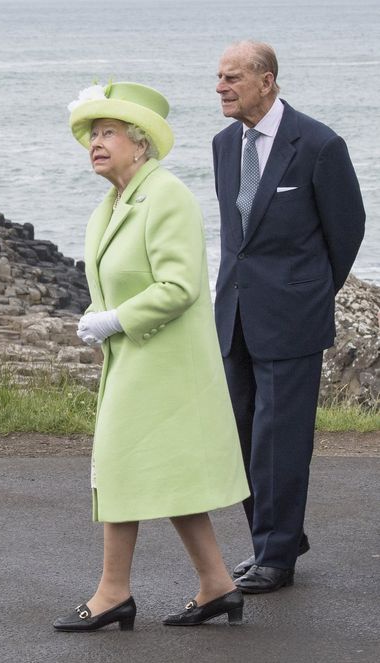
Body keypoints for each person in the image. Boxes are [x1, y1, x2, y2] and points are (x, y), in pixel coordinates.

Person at [53, 82, 250, 632]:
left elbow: (180, 284)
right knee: (170, 474)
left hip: (166, 364)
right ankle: (218, 585)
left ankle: (112, 593)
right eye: (92, 134)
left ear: (140, 145)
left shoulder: (166, 195)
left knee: (119, 468)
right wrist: (102, 321)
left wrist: (114, 320)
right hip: (136, 362)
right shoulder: (113, 202)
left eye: (108, 132)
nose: (95, 142)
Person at [213, 41, 365, 593]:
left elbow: (347, 229)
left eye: (231, 78)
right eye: (219, 78)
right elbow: (238, 237)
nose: (221, 88)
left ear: (266, 80)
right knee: (240, 433)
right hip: (234, 314)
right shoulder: (224, 144)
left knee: (280, 437)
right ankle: (279, 534)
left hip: (293, 315)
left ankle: (275, 555)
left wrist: (308, 289)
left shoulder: (319, 144)